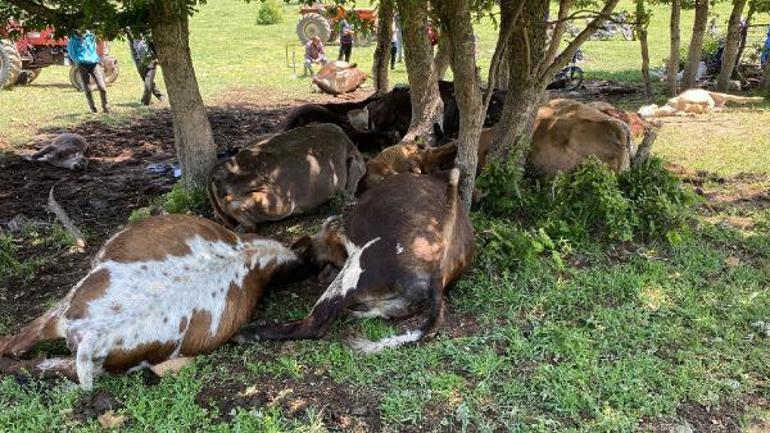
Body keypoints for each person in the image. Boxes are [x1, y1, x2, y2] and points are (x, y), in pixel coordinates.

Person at [67, 30, 109, 114]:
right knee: (88, 89)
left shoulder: (90, 36)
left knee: (102, 87)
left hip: (94, 63)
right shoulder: (73, 39)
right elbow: (71, 52)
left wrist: (98, 58)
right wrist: (78, 61)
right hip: (82, 64)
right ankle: (92, 108)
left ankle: (106, 107)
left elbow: (94, 47)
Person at [128, 31, 164, 105]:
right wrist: (136, 61)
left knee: (148, 84)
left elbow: (154, 46)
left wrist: (157, 58)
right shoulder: (131, 36)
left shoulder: (147, 34)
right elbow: (133, 50)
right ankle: (159, 95)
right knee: (148, 82)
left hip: (151, 62)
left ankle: (145, 102)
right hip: (140, 63)